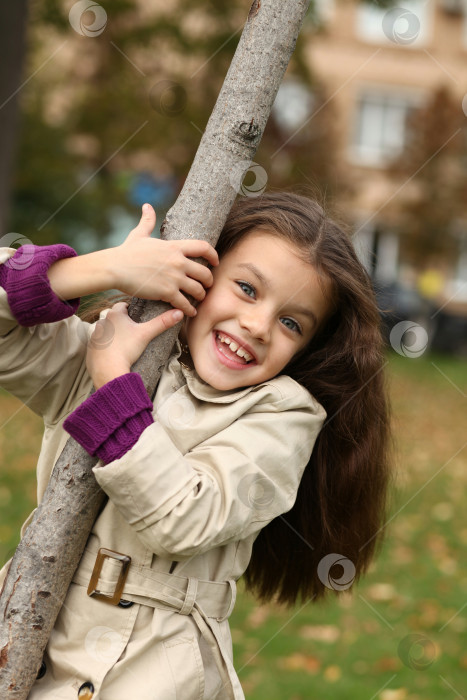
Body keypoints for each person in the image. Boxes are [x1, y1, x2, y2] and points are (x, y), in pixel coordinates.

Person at [0, 192, 392, 700]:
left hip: (158, 671)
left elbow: (183, 518)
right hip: (29, 631)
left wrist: (113, 379)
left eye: (291, 323)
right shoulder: (115, 342)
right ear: (195, 271)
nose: (257, 325)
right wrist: (104, 268)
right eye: (247, 288)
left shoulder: (284, 415)